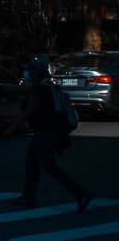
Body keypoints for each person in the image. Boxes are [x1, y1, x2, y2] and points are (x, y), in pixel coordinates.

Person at [6, 53, 93, 211]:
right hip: (49, 131)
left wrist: (12, 128)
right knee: (32, 162)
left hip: (45, 132)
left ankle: (81, 193)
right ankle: (28, 197)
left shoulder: (40, 88)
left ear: (39, 70)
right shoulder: (49, 85)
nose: (29, 72)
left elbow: (30, 111)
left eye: (31, 69)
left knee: (48, 167)